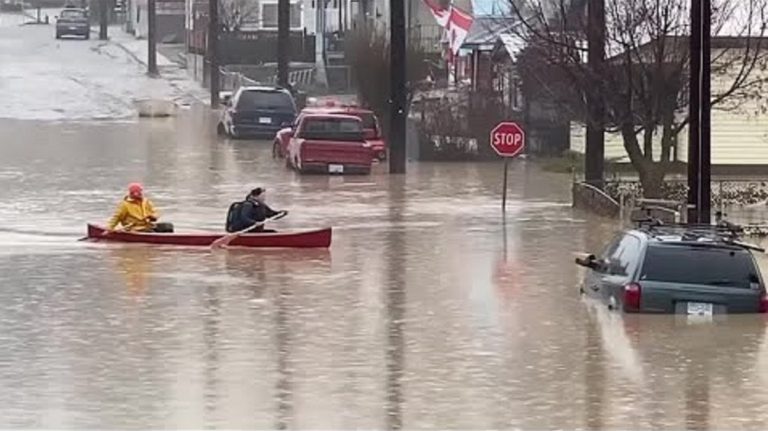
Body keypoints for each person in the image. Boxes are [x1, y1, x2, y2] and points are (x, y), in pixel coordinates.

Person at [107, 183, 173, 233]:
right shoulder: (124, 205)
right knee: (150, 232)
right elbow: (116, 217)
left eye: (141, 191)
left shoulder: (146, 201)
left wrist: (152, 217)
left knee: (168, 226)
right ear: (133, 193)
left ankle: (169, 239)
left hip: (148, 226)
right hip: (134, 228)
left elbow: (155, 212)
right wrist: (109, 228)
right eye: (139, 192)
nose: (141, 193)